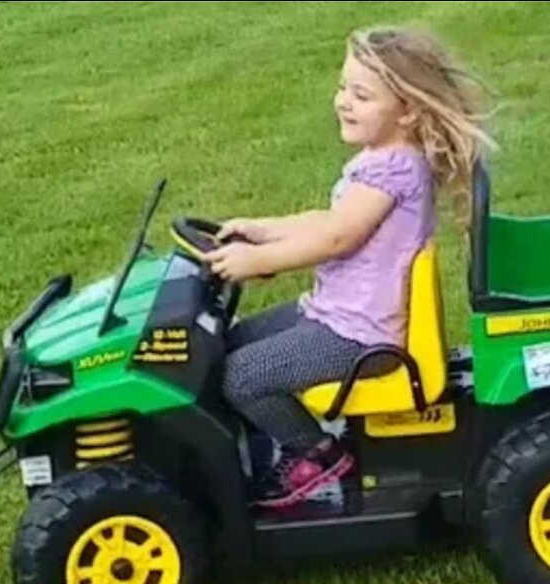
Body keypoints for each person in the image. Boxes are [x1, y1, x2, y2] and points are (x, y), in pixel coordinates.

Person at [199, 25, 495, 509]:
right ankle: (262, 442)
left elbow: (338, 238)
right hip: (335, 314)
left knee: (240, 377)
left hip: (361, 335)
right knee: (223, 347)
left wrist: (258, 261)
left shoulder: (392, 168)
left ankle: (316, 456)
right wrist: (262, 229)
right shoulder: (382, 159)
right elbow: (331, 221)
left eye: (362, 95)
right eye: (343, 88)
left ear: (409, 110)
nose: (343, 102)